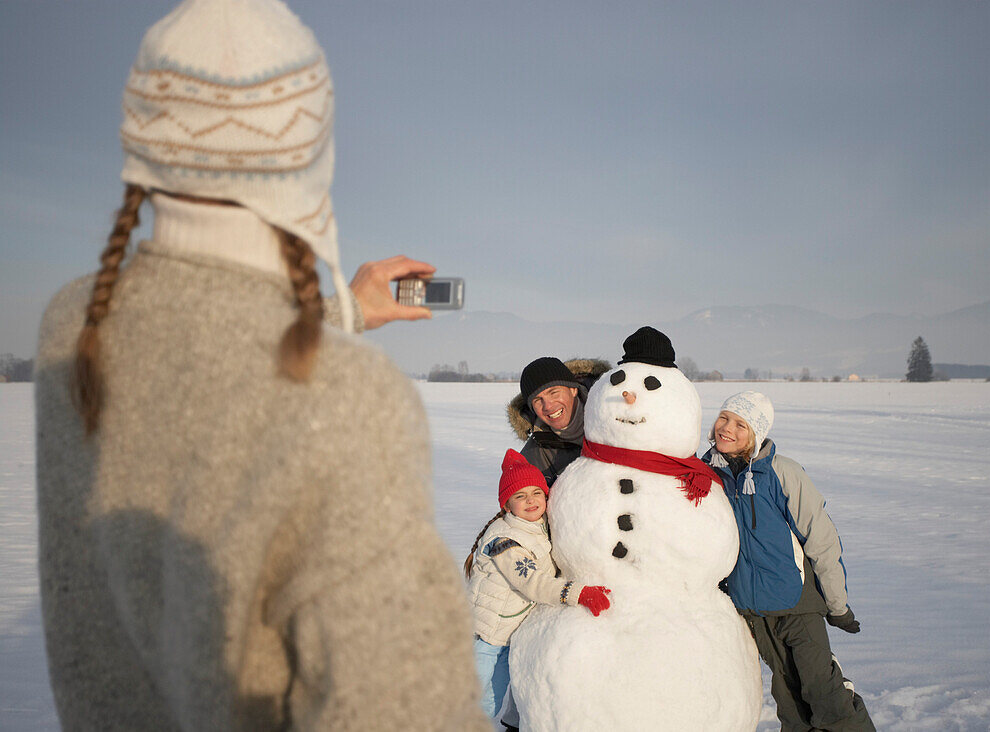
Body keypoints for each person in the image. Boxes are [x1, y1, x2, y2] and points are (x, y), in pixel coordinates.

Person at [34, 1, 487, 729]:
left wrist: (341, 311)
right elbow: (404, 709)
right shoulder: (351, 401)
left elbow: (205, 362)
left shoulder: (73, 327)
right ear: (311, 157)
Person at [702, 391, 875, 732]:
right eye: (724, 418)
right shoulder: (708, 476)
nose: (727, 429)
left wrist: (837, 605)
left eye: (741, 424)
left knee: (822, 692)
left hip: (796, 603)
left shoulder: (783, 473)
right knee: (789, 700)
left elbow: (821, 539)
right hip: (751, 610)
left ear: (757, 433)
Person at [464, 449, 612, 728]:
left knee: (491, 703)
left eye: (536, 493)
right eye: (520, 496)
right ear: (506, 505)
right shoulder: (505, 541)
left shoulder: (537, 526)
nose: (530, 500)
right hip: (483, 637)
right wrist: (578, 592)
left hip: (507, 635)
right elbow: (532, 583)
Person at [507, 356, 610, 486]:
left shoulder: (614, 418)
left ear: (573, 389)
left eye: (554, 392)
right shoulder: (534, 457)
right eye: (538, 400)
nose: (548, 406)